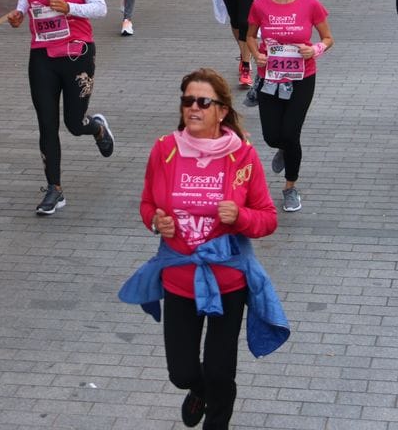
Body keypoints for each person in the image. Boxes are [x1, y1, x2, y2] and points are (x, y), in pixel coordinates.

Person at [119, 68, 287, 430]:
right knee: (181, 371)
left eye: (202, 101)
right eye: (187, 101)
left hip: (228, 280)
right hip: (179, 278)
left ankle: (218, 421)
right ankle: (197, 390)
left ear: (222, 110)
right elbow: (148, 202)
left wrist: (240, 216)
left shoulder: (242, 157)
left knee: (219, 368)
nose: (193, 108)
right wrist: (155, 221)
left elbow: (268, 218)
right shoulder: (164, 150)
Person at [7, 0, 115, 215]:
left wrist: (70, 7)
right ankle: (54, 188)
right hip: (41, 54)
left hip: (77, 54)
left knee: (72, 123)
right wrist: (17, 14)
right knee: (46, 125)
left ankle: (96, 129)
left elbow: (101, 9)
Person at [246, 0, 333, 213]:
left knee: (291, 133)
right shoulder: (260, 5)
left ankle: (290, 188)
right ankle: (282, 147)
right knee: (273, 136)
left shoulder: (310, 3)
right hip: (270, 77)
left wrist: (314, 49)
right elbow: (250, 36)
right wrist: (255, 56)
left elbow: (328, 39)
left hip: (301, 78)